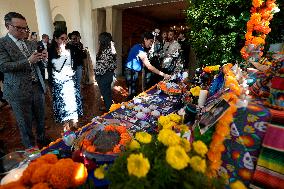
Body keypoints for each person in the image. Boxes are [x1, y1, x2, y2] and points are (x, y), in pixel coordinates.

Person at [0, 12, 48, 148]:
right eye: (18, 28)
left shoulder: (30, 43)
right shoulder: (2, 44)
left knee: (40, 120)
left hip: (37, 87)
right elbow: (3, 66)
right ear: (7, 26)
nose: (23, 31)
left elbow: (38, 64)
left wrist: (43, 59)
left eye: (25, 28)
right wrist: (28, 61)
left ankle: (43, 142)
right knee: (25, 125)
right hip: (18, 91)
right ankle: (31, 151)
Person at [48, 29, 83, 131]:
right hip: (59, 84)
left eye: (66, 39)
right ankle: (66, 130)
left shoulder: (70, 48)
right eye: (62, 39)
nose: (64, 41)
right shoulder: (51, 50)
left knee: (73, 105)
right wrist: (64, 54)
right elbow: (56, 67)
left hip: (70, 81)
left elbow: (77, 60)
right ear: (55, 39)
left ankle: (76, 127)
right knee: (63, 107)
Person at [125, 31, 171, 100]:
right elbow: (149, 66)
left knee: (133, 92)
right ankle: (126, 108)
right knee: (132, 94)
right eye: (151, 41)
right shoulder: (140, 50)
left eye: (152, 42)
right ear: (145, 39)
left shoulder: (138, 46)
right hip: (131, 72)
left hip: (132, 71)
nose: (151, 44)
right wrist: (164, 74)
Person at [95, 32, 117, 111]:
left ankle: (109, 111)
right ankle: (108, 107)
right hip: (107, 74)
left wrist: (97, 76)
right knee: (107, 93)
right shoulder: (110, 49)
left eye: (100, 39)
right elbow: (113, 64)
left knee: (106, 94)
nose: (98, 41)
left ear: (103, 40)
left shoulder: (106, 51)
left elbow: (103, 66)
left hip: (103, 75)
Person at [67, 31, 87, 95]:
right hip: (71, 67)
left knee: (78, 82)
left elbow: (84, 56)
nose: (75, 40)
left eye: (77, 38)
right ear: (71, 38)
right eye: (73, 38)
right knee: (72, 82)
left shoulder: (80, 45)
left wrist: (80, 48)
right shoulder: (68, 45)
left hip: (79, 66)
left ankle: (78, 96)